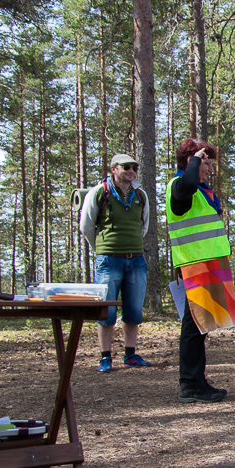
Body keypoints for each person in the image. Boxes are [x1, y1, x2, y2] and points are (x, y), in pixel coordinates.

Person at [166, 138, 235, 403]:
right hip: (195, 264)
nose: (210, 169)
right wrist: (195, 159)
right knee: (194, 325)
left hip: (208, 263)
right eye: (206, 164)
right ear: (191, 162)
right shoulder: (180, 185)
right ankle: (190, 384)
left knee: (201, 325)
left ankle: (197, 381)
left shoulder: (200, 190)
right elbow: (185, 186)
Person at [80, 154, 151, 374]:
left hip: (136, 259)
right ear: (114, 169)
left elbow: (144, 225)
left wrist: (131, 245)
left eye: (134, 168)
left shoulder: (140, 195)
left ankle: (130, 354)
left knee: (134, 309)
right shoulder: (99, 192)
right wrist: (102, 248)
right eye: (126, 167)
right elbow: (86, 226)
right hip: (108, 260)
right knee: (106, 311)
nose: (131, 171)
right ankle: (105, 357)